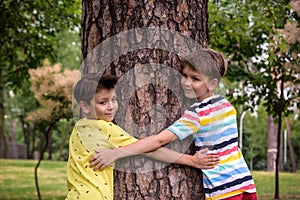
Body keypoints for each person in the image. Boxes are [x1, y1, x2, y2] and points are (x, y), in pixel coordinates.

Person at [89, 48, 257, 200]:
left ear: (212, 84)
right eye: (185, 75)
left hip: (224, 190)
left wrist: (116, 153)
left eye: (195, 79)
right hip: (246, 184)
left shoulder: (197, 113)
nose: (186, 82)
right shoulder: (226, 106)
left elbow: (159, 141)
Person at [66, 73, 219, 200]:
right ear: (85, 106)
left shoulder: (79, 127)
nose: (111, 107)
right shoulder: (104, 127)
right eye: (102, 102)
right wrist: (191, 160)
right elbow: (150, 149)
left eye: (113, 99)